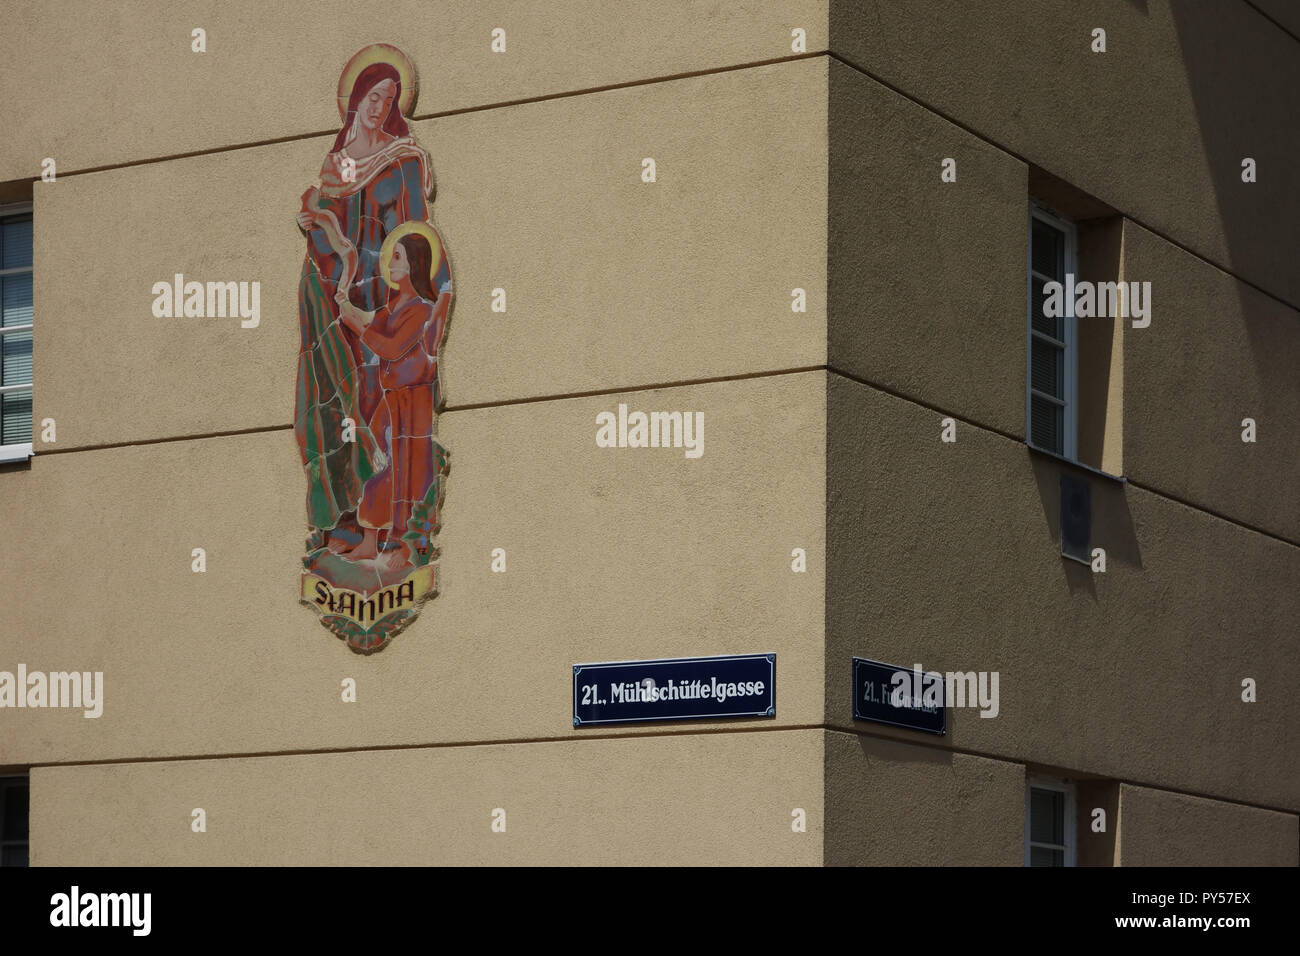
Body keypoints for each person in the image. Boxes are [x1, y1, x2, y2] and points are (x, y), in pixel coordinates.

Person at [295, 52, 445, 555]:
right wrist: (319, 227)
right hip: (337, 308)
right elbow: (324, 236)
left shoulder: (400, 159)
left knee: (373, 412)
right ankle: (340, 521)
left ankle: (382, 531)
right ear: (356, 99)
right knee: (330, 404)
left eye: (390, 99)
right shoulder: (335, 167)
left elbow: (413, 234)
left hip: (382, 304)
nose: (380, 107)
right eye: (373, 96)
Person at [335, 229, 450, 565]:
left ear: (414, 264)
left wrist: (355, 326)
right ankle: (372, 541)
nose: (389, 263)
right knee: (382, 471)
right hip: (393, 398)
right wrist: (349, 309)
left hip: (414, 401)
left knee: (410, 470)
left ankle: (407, 543)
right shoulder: (393, 306)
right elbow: (373, 323)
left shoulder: (421, 308)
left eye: (397, 256)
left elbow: (391, 347)